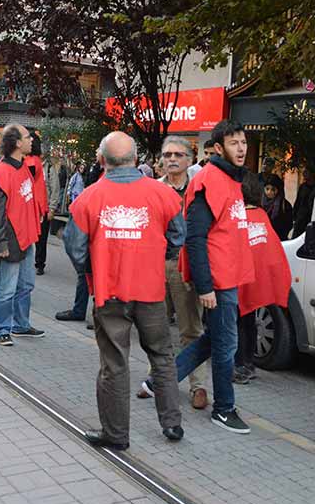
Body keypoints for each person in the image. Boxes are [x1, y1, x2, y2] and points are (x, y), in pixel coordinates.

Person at [64, 131, 185, 450]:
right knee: (162, 355)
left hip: (110, 291)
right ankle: (172, 424)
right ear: (136, 160)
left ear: (102, 161)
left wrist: (92, 269)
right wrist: (157, 256)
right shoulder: (163, 194)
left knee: (114, 362)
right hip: (151, 291)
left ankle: (116, 435)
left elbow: (75, 246)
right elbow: (177, 235)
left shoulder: (88, 197)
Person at [139, 120, 255, 434]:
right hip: (217, 279)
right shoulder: (209, 180)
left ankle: (157, 381)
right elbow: (196, 237)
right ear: (218, 148)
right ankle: (224, 409)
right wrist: (205, 286)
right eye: (234, 143)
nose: (241, 148)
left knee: (212, 340)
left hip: (227, 275)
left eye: (243, 141)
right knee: (225, 344)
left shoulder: (229, 178)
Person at [138, 136, 208, 409]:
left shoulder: (198, 190)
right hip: (155, 264)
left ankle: (198, 385)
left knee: (191, 327)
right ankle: (153, 379)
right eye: (167, 155)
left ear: (189, 160)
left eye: (178, 154)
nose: (172, 159)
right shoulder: (152, 189)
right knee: (155, 327)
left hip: (185, 264)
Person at [0, 124, 45, 346]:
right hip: (10, 238)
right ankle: (1, 329)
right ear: (17, 143)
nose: (31, 140)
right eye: (27, 137)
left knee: (25, 284)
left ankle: (20, 324)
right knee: (6, 288)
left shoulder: (23, 165)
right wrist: (1, 243)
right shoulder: (1, 171)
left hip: (26, 237)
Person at [235, 172, 292, 383]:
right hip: (255, 279)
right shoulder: (260, 214)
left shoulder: (239, 216)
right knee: (248, 322)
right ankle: (247, 364)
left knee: (238, 323)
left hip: (239, 279)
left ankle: (240, 365)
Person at [56, 156, 93, 322]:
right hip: (91, 236)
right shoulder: (95, 173)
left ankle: (99, 314)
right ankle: (82, 310)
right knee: (85, 275)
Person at [26, 132, 51, 276]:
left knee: (38, 238)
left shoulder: (31, 161)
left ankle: (38, 263)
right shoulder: (35, 160)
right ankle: (39, 263)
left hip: (35, 203)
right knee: (40, 238)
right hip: (38, 203)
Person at [262, 174, 294, 240]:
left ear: (278, 190)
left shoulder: (285, 205)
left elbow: (288, 225)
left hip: (279, 239)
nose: (269, 192)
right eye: (267, 189)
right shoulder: (260, 203)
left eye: (273, 189)